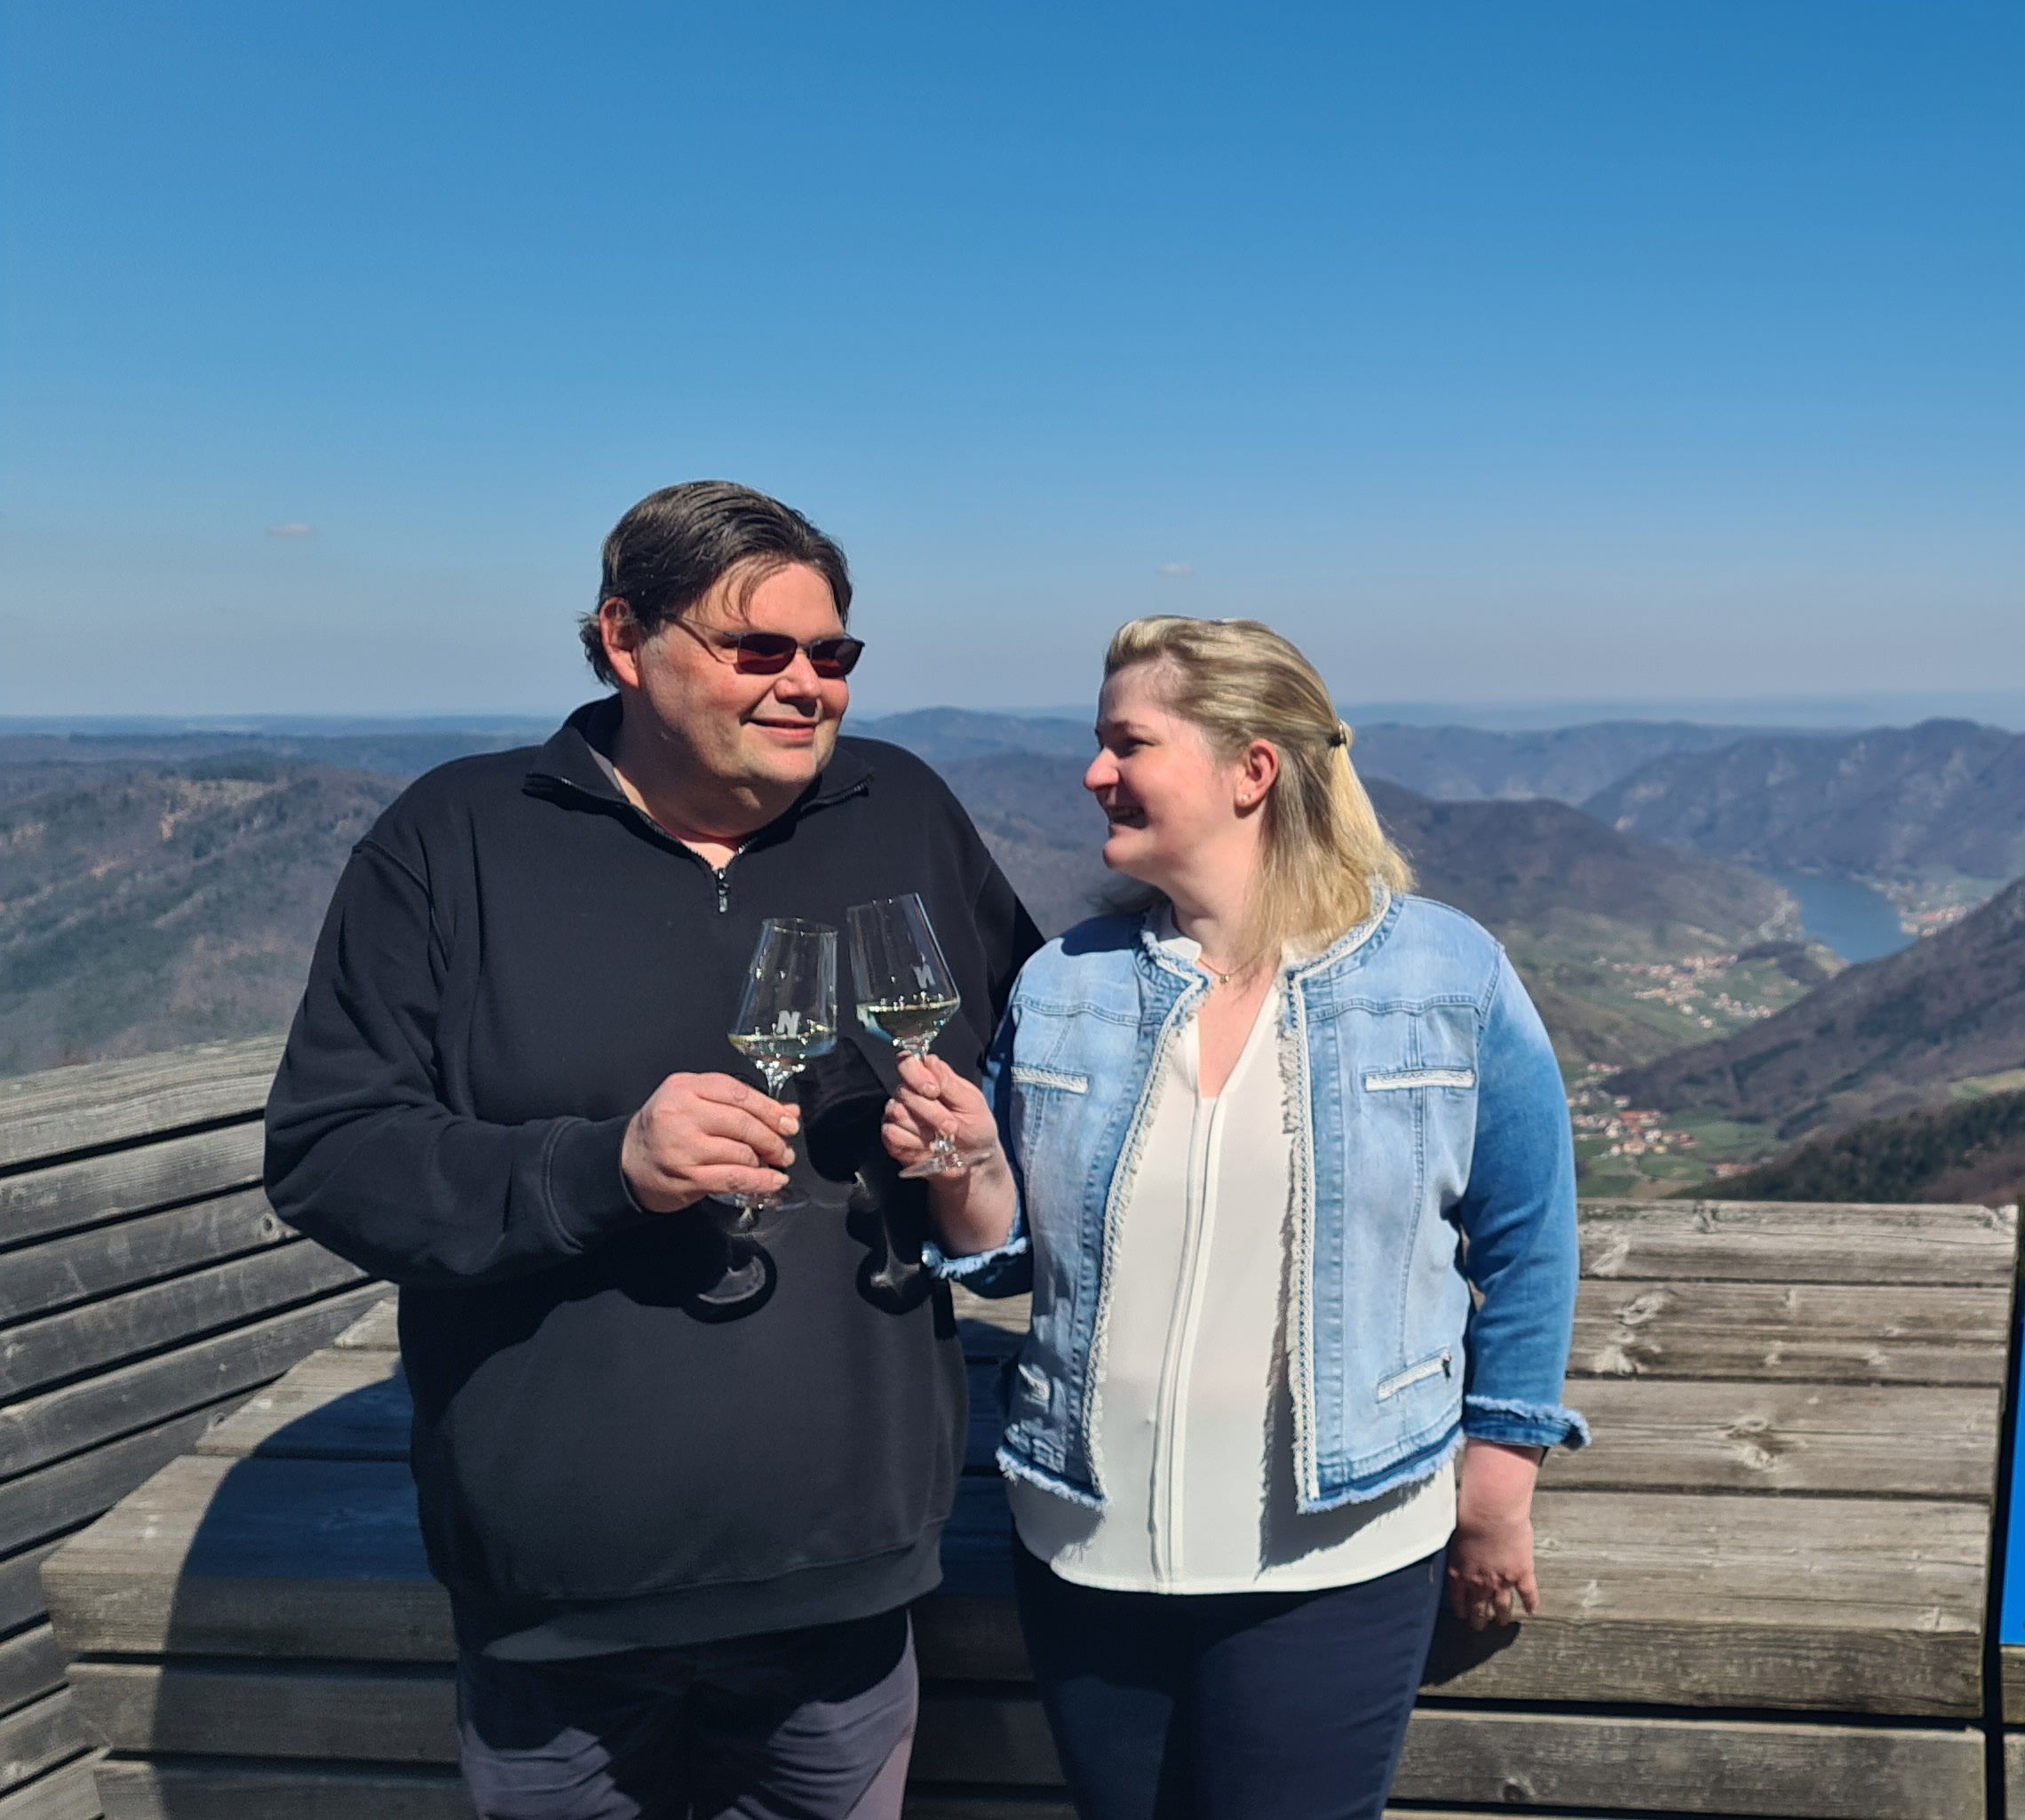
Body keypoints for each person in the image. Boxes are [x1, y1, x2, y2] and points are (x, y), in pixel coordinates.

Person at [266, 481, 1041, 1820]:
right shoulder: (457, 839)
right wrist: (601, 1170)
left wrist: (979, 1160)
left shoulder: (900, 809)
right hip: (560, 1598)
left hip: (850, 1576)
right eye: (759, 648)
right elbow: (332, 1153)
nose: (807, 685)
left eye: (833, 653)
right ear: (626, 638)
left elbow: (1040, 1060)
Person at [881, 616, 1586, 1820]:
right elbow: (1002, 1256)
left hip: (1337, 1555)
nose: (1094, 772)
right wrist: (970, 1165)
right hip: (1082, 1545)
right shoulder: (1067, 984)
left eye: (1128, 743)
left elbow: (1530, 1244)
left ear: (1253, 769)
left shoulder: (1445, 978)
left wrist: (1499, 1490)